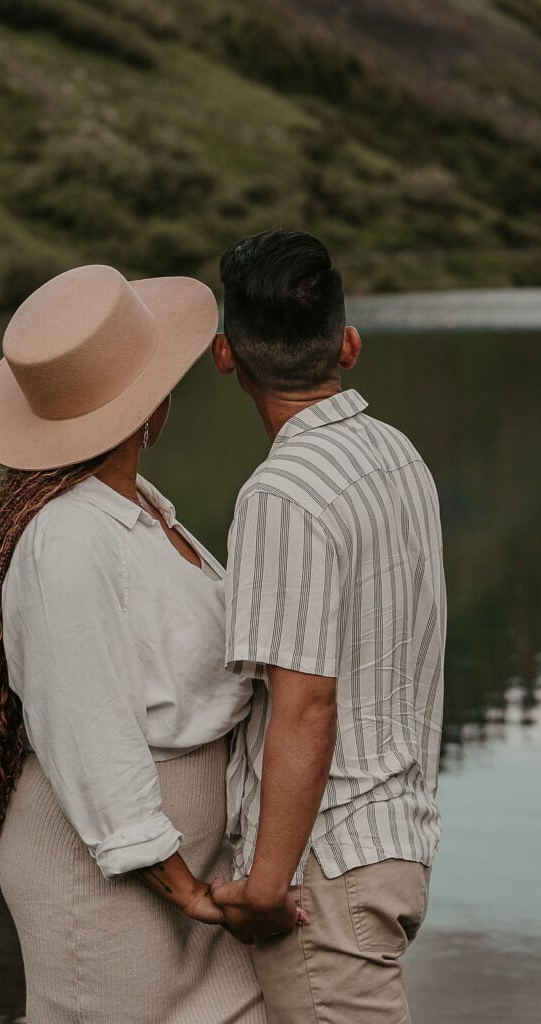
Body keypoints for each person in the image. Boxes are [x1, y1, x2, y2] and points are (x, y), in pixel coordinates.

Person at [0, 265, 267, 1024]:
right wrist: (184, 888)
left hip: (179, 859)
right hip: (116, 875)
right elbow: (88, 731)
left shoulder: (137, 508)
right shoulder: (68, 539)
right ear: (149, 409)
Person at [210, 230, 446, 1023]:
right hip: (395, 841)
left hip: (324, 872)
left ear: (223, 356)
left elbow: (304, 705)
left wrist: (264, 888)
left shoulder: (281, 493)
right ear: (347, 343)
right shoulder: (396, 452)